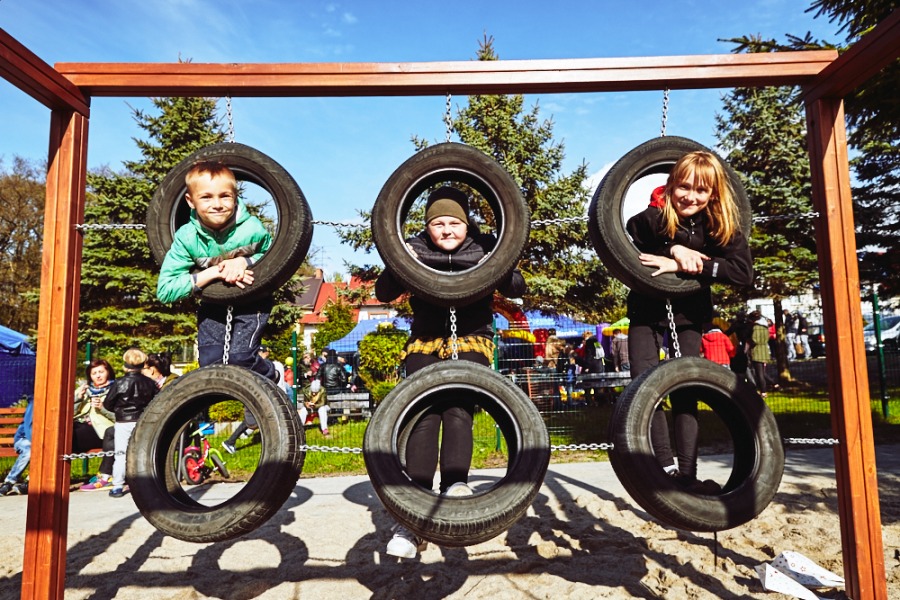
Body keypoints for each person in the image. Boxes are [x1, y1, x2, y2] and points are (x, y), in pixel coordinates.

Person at [374, 186, 526, 559]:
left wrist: (498, 259)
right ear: (427, 227)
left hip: (472, 339)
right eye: (437, 223)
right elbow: (382, 292)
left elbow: (517, 287)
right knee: (423, 417)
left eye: (454, 222)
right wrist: (399, 261)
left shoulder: (486, 247)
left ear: (467, 223)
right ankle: (413, 516)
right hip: (425, 341)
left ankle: (456, 484)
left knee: (459, 410)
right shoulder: (413, 248)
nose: (446, 230)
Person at [625, 150, 753, 493]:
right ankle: (664, 467)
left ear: (712, 193)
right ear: (672, 184)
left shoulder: (718, 224)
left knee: (685, 390)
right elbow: (628, 235)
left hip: (690, 314)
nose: (690, 197)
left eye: (701, 191)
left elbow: (742, 272)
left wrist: (693, 264)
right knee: (645, 386)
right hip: (645, 311)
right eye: (684, 187)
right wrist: (673, 250)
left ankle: (688, 472)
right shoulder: (654, 215)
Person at [156, 160, 277, 382]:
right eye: (206, 197)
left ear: (235, 197)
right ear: (190, 201)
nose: (217, 204)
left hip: (252, 299)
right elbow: (166, 289)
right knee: (210, 361)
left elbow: (278, 257)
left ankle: (270, 373)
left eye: (225, 196)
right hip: (213, 304)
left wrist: (245, 261)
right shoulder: (187, 237)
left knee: (241, 357)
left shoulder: (252, 229)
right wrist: (213, 273)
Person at [103, 347, 158, 498]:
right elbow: (156, 401)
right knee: (143, 453)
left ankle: (117, 486)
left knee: (121, 454)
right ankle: (147, 485)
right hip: (142, 421)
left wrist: (119, 410)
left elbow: (108, 403)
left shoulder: (119, 383)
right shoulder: (150, 383)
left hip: (123, 421)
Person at [73, 359, 117, 492]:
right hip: (81, 428)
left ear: (108, 372)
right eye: (94, 373)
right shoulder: (84, 390)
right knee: (61, 434)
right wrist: (77, 399)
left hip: (102, 432)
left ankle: (105, 477)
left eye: (101, 372)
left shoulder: (115, 390)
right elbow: (70, 415)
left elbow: (120, 418)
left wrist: (102, 408)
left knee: (72, 433)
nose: (98, 376)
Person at [0, 398, 33, 496]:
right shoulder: (34, 403)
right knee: (30, 452)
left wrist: (78, 397)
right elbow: (28, 428)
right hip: (24, 439)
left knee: (48, 451)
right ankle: (9, 482)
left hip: (38, 441)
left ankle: (29, 483)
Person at [748, 311, 778, 397]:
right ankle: (774, 384)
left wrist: (749, 342)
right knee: (761, 372)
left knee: (759, 374)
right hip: (764, 350)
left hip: (757, 351)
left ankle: (763, 391)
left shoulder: (756, 327)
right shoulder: (765, 327)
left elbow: (755, 340)